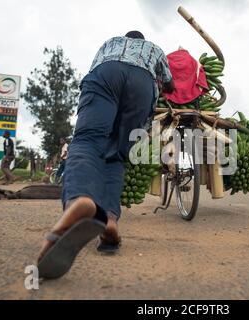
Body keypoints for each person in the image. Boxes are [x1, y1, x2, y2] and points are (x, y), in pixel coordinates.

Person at [36, 30, 175, 279]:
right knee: (117, 154)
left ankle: (79, 200)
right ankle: (109, 219)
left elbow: (94, 70)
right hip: (143, 86)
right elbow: (169, 83)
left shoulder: (110, 43)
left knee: (88, 141)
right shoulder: (154, 49)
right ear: (142, 41)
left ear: (126, 38)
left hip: (106, 75)